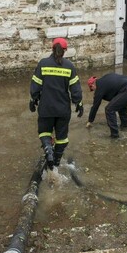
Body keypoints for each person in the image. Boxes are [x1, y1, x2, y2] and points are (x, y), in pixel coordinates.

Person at [29, 37, 83, 169]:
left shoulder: (43, 64)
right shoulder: (69, 66)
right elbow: (75, 89)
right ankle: (57, 161)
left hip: (46, 107)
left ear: (52, 49)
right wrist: (79, 103)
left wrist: (33, 99)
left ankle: (48, 149)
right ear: (64, 51)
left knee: (44, 132)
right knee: (62, 137)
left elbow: (35, 86)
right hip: (63, 109)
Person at [86, 73, 127, 138]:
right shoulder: (106, 78)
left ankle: (114, 135)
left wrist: (90, 120)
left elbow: (95, 106)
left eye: (92, 89)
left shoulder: (99, 88)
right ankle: (124, 126)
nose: (94, 90)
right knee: (120, 104)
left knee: (109, 109)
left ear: (92, 85)